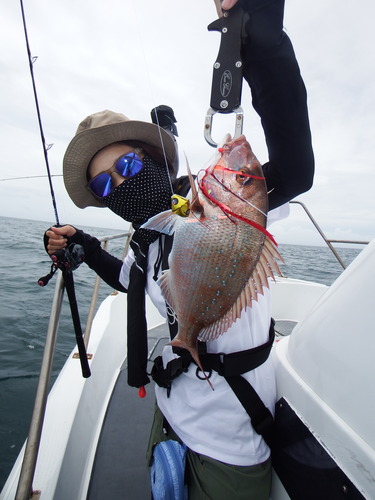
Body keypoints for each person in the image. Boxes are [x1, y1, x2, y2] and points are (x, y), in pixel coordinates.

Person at [45, 0, 314, 498]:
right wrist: (81, 246)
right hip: (168, 416)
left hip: (229, 446)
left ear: (150, 157)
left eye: (124, 168)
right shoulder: (144, 238)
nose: (119, 188)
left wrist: (263, 48)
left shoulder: (223, 203)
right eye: (104, 188)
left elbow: (296, 169)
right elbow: (128, 278)